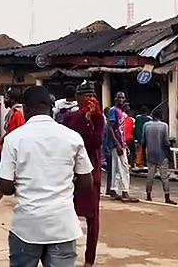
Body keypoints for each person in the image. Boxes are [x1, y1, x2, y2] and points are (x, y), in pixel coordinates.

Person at [0, 86, 93, 267]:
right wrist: (66, 189)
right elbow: (86, 181)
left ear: (25, 109)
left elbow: (5, 187)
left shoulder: (14, 139)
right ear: (51, 108)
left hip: (27, 225)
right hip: (63, 224)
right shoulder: (72, 137)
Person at [62, 81, 104, 267]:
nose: (90, 99)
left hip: (91, 172)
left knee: (92, 217)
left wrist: (88, 119)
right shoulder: (69, 118)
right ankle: (66, 255)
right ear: (78, 98)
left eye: (93, 96)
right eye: (87, 96)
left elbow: (96, 143)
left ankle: (89, 261)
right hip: (70, 173)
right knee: (66, 214)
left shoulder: (98, 118)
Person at [107, 91, 138, 203]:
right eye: (119, 98)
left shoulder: (120, 112)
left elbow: (121, 131)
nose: (121, 100)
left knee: (116, 167)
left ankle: (114, 190)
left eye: (123, 98)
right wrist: (117, 143)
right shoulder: (113, 111)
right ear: (115, 98)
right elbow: (110, 127)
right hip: (117, 144)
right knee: (124, 167)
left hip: (121, 143)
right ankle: (125, 191)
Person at [142, 110, 177, 205]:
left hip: (151, 154)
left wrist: (144, 156)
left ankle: (148, 196)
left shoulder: (146, 126)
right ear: (161, 116)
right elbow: (166, 142)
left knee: (150, 176)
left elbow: (143, 142)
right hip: (162, 154)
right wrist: (169, 153)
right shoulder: (164, 126)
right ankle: (167, 197)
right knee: (164, 177)